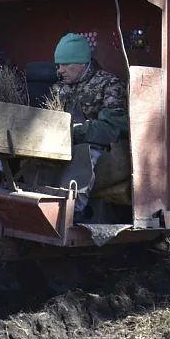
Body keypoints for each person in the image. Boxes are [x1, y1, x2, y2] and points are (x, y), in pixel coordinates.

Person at [51, 33, 129, 218]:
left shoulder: (109, 85)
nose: (60, 70)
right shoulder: (60, 87)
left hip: (103, 151)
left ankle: (70, 213)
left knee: (83, 153)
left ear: (82, 63)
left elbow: (112, 129)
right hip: (64, 143)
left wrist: (76, 132)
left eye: (66, 64)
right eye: (58, 65)